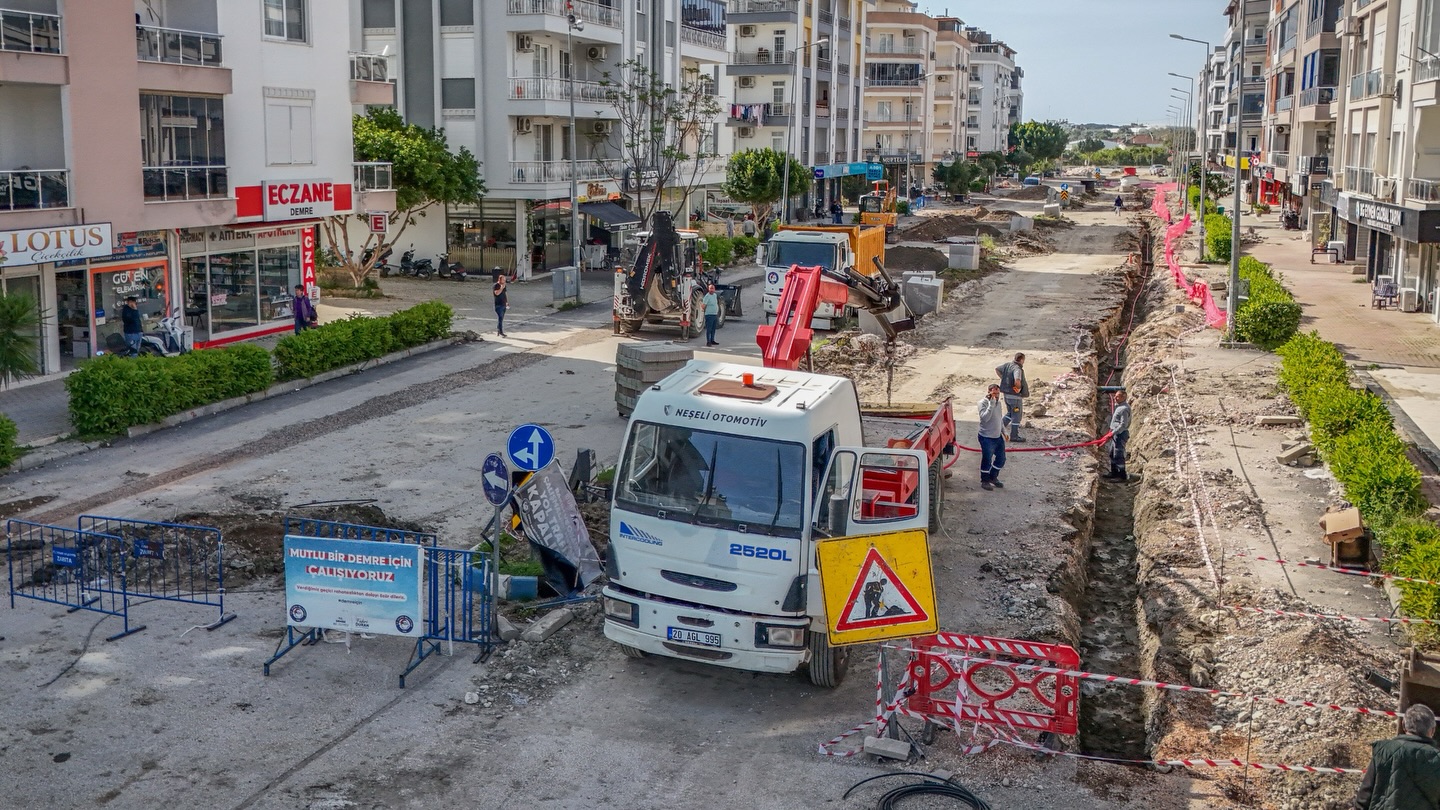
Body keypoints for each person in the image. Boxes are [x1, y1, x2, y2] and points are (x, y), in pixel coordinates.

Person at [1353, 703, 1440, 809]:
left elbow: (1363, 797)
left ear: (1403, 725)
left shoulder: (1385, 751)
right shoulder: (1437, 758)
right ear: (1432, 730)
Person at [978, 384, 1009, 491]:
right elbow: (985, 418)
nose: (996, 396)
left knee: (1001, 459)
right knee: (987, 459)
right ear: (989, 392)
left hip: (997, 436)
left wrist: (1004, 431)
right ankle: (985, 480)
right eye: (994, 393)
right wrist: (991, 404)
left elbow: (999, 419)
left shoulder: (998, 403)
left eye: (998, 393)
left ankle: (993, 476)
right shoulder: (983, 403)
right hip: (986, 437)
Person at [995, 353, 1029, 442]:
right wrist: (1017, 388)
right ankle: (1014, 436)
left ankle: (997, 430)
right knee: (1016, 416)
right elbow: (1017, 380)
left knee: (1010, 413)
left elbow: (997, 369)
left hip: (1006, 395)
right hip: (1015, 398)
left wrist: (1004, 379)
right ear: (1022, 360)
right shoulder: (1017, 369)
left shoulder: (1007, 365)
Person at [1106, 390, 1132, 482]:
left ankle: (1121, 476)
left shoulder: (1124, 409)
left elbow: (1123, 424)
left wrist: (1113, 433)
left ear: (1123, 397)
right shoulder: (1119, 407)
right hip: (1115, 434)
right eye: (1115, 396)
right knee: (1112, 453)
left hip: (1120, 434)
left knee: (1118, 455)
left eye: (1117, 396)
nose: (1115, 398)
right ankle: (1114, 473)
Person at [492, 269, 508, 337]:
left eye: (505, 280)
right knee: (500, 318)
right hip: (498, 305)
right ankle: (500, 331)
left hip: (504, 304)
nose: (504, 281)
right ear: (500, 279)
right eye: (503, 280)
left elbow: (505, 293)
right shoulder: (496, 285)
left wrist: (507, 301)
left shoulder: (504, 286)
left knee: (501, 318)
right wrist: (501, 288)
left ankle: (499, 331)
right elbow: (497, 293)